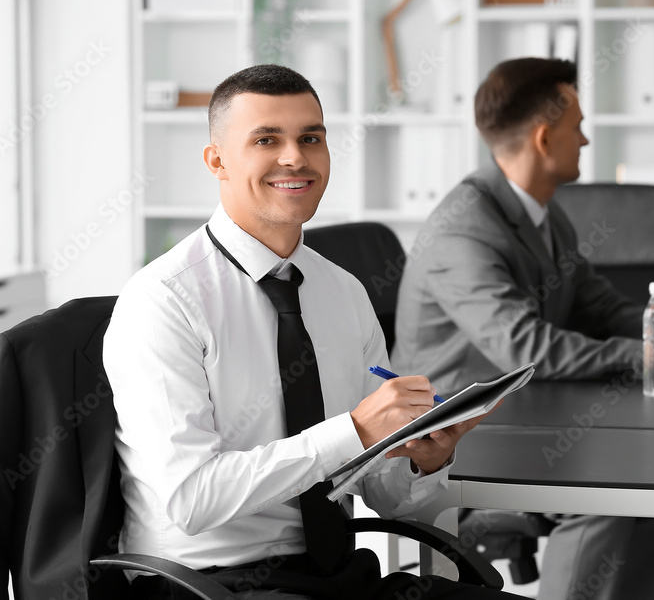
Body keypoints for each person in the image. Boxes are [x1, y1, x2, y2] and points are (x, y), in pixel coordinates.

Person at [103, 64, 527, 600]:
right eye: (266, 140)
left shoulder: (343, 292)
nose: (294, 157)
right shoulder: (163, 301)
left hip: (335, 575)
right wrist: (353, 429)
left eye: (311, 138)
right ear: (217, 161)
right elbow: (191, 501)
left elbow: (386, 496)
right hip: (210, 586)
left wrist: (425, 458)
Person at [392, 57, 654, 600]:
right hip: (458, 439)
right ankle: (495, 520)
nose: (585, 140)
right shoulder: (462, 231)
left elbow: (599, 305)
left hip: (530, 414)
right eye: (578, 127)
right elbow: (527, 348)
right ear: (544, 138)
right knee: (603, 495)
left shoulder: (543, 212)